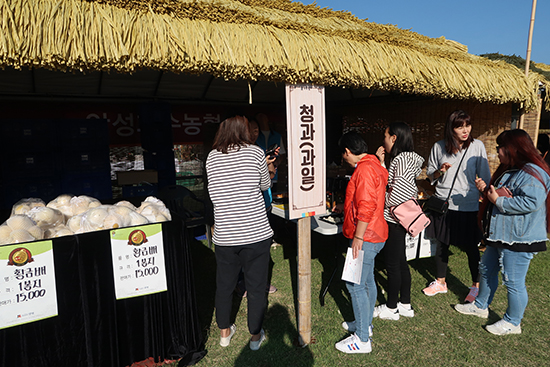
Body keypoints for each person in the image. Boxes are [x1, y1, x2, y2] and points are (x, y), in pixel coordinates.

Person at [455, 129, 550, 335]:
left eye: (501, 147)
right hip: (500, 234)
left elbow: (532, 201)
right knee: (487, 270)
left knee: (513, 281)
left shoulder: (533, 172)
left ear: (513, 149)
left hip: (520, 237)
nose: (497, 151)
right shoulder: (513, 169)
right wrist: (488, 193)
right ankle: (480, 305)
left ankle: (513, 322)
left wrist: (498, 200)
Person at [205, 115, 273, 351]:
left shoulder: (212, 157)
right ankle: (255, 337)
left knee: (224, 286)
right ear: (242, 130)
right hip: (255, 233)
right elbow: (265, 185)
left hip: (225, 235)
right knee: (255, 288)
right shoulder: (254, 153)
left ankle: (224, 333)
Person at [423, 110, 491, 302]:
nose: (465, 130)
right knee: (442, 243)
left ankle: (475, 287)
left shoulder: (477, 146)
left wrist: (482, 187)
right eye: (460, 126)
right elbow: (430, 175)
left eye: (467, 125)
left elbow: (485, 176)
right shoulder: (439, 147)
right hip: (444, 202)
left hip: (467, 204)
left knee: (470, 246)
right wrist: (440, 171)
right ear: (451, 128)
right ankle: (441, 282)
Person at [333, 131, 388, 354]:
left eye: (343, 154)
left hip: (365, 236)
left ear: (347, 151)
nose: (343, 158)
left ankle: (362, 339)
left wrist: (357, 236)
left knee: (354, 284)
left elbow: (366, 206)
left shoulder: (364, 169)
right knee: (367, 282)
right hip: (376, 233)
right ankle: (365, 323)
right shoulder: (375, 164)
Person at [373, 122, 424, 320]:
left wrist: (382, 202)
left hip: (394, 220)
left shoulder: (401, 160)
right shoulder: (406, 159)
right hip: (401, 219)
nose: (383, 140)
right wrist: (383, 163)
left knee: (393, 264)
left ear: (394, 138)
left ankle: (391, 307)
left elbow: (398, 193)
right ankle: (405, 303)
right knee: (401, 262)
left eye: (385, 136)